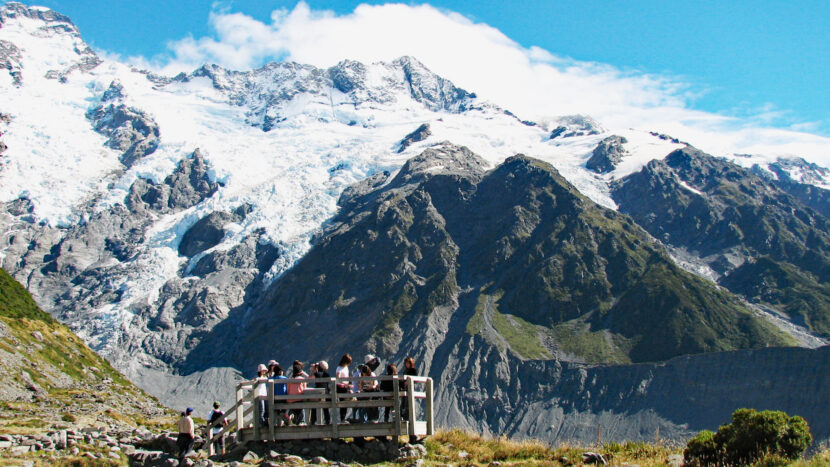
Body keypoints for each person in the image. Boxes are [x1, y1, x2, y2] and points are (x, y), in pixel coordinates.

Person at [310, 361, 331, 425]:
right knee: (325, 408)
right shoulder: (327, 374)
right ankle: (327, 420)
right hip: (326, 392)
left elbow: (310, 378)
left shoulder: (316, 374)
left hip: (318, 393)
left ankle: (313, 421)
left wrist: (313, 370)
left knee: (314, 407)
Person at [335, 354, 352, 423]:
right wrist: (346, 384)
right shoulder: (339, 368)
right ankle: (342, 418)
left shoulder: (346, 368)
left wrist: (348, 384)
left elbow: (347, 377)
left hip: (345, 386)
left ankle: (343, 418)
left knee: (345, 403)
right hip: (340, 387)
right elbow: (338, 378)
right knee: (343, 403)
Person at [400, 357, 418, 421]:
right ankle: (402, 416)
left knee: (408, 403)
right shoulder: (405, 370)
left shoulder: (413, 370)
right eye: (406, 363)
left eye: (408, 363)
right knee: (403, 403)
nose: (407, 364)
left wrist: (409, 382)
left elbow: (415, 379)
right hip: (405, 388)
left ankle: (407, 418)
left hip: (410, 388)